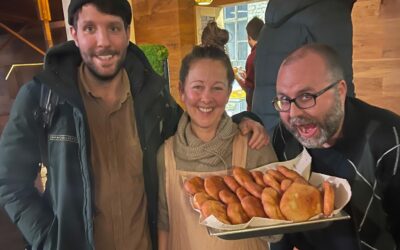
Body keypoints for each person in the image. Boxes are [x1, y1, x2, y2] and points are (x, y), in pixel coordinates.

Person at [0, 1, 270, 250]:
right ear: (74, 32)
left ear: (127, 32)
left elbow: (197, 125)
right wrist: (48, 238)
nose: (103, 41)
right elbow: (10, 182)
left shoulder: (152, 97)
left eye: (113, 28)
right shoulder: (44, 96)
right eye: (90, 28)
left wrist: (243, 122)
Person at [271, 43, 399, 249]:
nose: (293, 114)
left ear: (340, 91)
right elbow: (280, 227)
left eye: (306, 96)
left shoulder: (390, 139)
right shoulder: (283, 137)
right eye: (284, 100)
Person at [157, 45, 277, 250]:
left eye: (217, 88)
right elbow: (164, 226)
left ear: (229, 92)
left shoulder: (255, 146)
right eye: (197, 87)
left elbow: (277, 229)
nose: (206, 98)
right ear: (181, 91)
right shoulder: (165, 156)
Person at [253, 0, 356, 134]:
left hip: (267, 130)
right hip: (303, 132)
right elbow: (340, 90)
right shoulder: (328, 13)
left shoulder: (270, 26)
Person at [235, 17, 264, 111]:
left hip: (256, 110)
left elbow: (249, 90)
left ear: (249, 37)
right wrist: (246, 77)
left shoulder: (252, 58)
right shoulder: (269, 53)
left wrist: (236, 77)